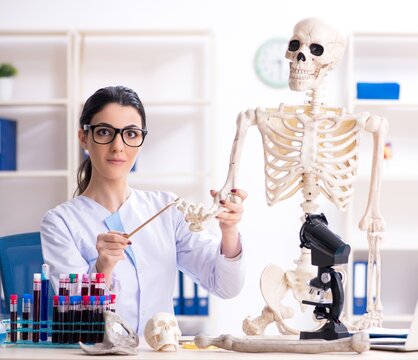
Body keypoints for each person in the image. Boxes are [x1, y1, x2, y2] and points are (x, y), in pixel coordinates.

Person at [40, 86, 247, 334]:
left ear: (141, 140)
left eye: (131, 133)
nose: (118, 146)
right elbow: (77, 319)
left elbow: (226, 286)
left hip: (157, 351)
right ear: (84, 138)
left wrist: (229, 231)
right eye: (105, 132)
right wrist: (102, 269)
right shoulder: (60, 222)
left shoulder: (167, 208)